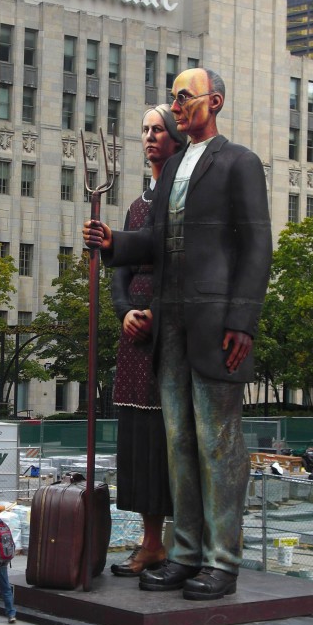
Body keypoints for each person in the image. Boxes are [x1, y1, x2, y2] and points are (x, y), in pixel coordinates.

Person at [84, 67, 272, 600]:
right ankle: (186, 553)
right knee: (180, 444)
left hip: (216, 325)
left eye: (185, 98)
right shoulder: (170, 173)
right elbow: (153, 241)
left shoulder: (239, 163)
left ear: (213, 102)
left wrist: (242, 321)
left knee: (218, 444)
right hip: (171, 324)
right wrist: (113, 242)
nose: (177, 106)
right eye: (173, 99)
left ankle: (222, 560)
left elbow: (258, 245)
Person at [110, 105, 186, 578]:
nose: (150, 137)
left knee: (170, 443)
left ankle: (180, 546)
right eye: (145, 130)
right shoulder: (138, 205)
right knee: (138, 443)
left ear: (176, 138)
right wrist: (125, 313)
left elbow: (187, 268)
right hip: (134, 340)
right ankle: (150, 542)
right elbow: (119, 268)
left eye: (159, 129)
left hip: (172, 331)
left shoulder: (184, 202)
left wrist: (158, 314)